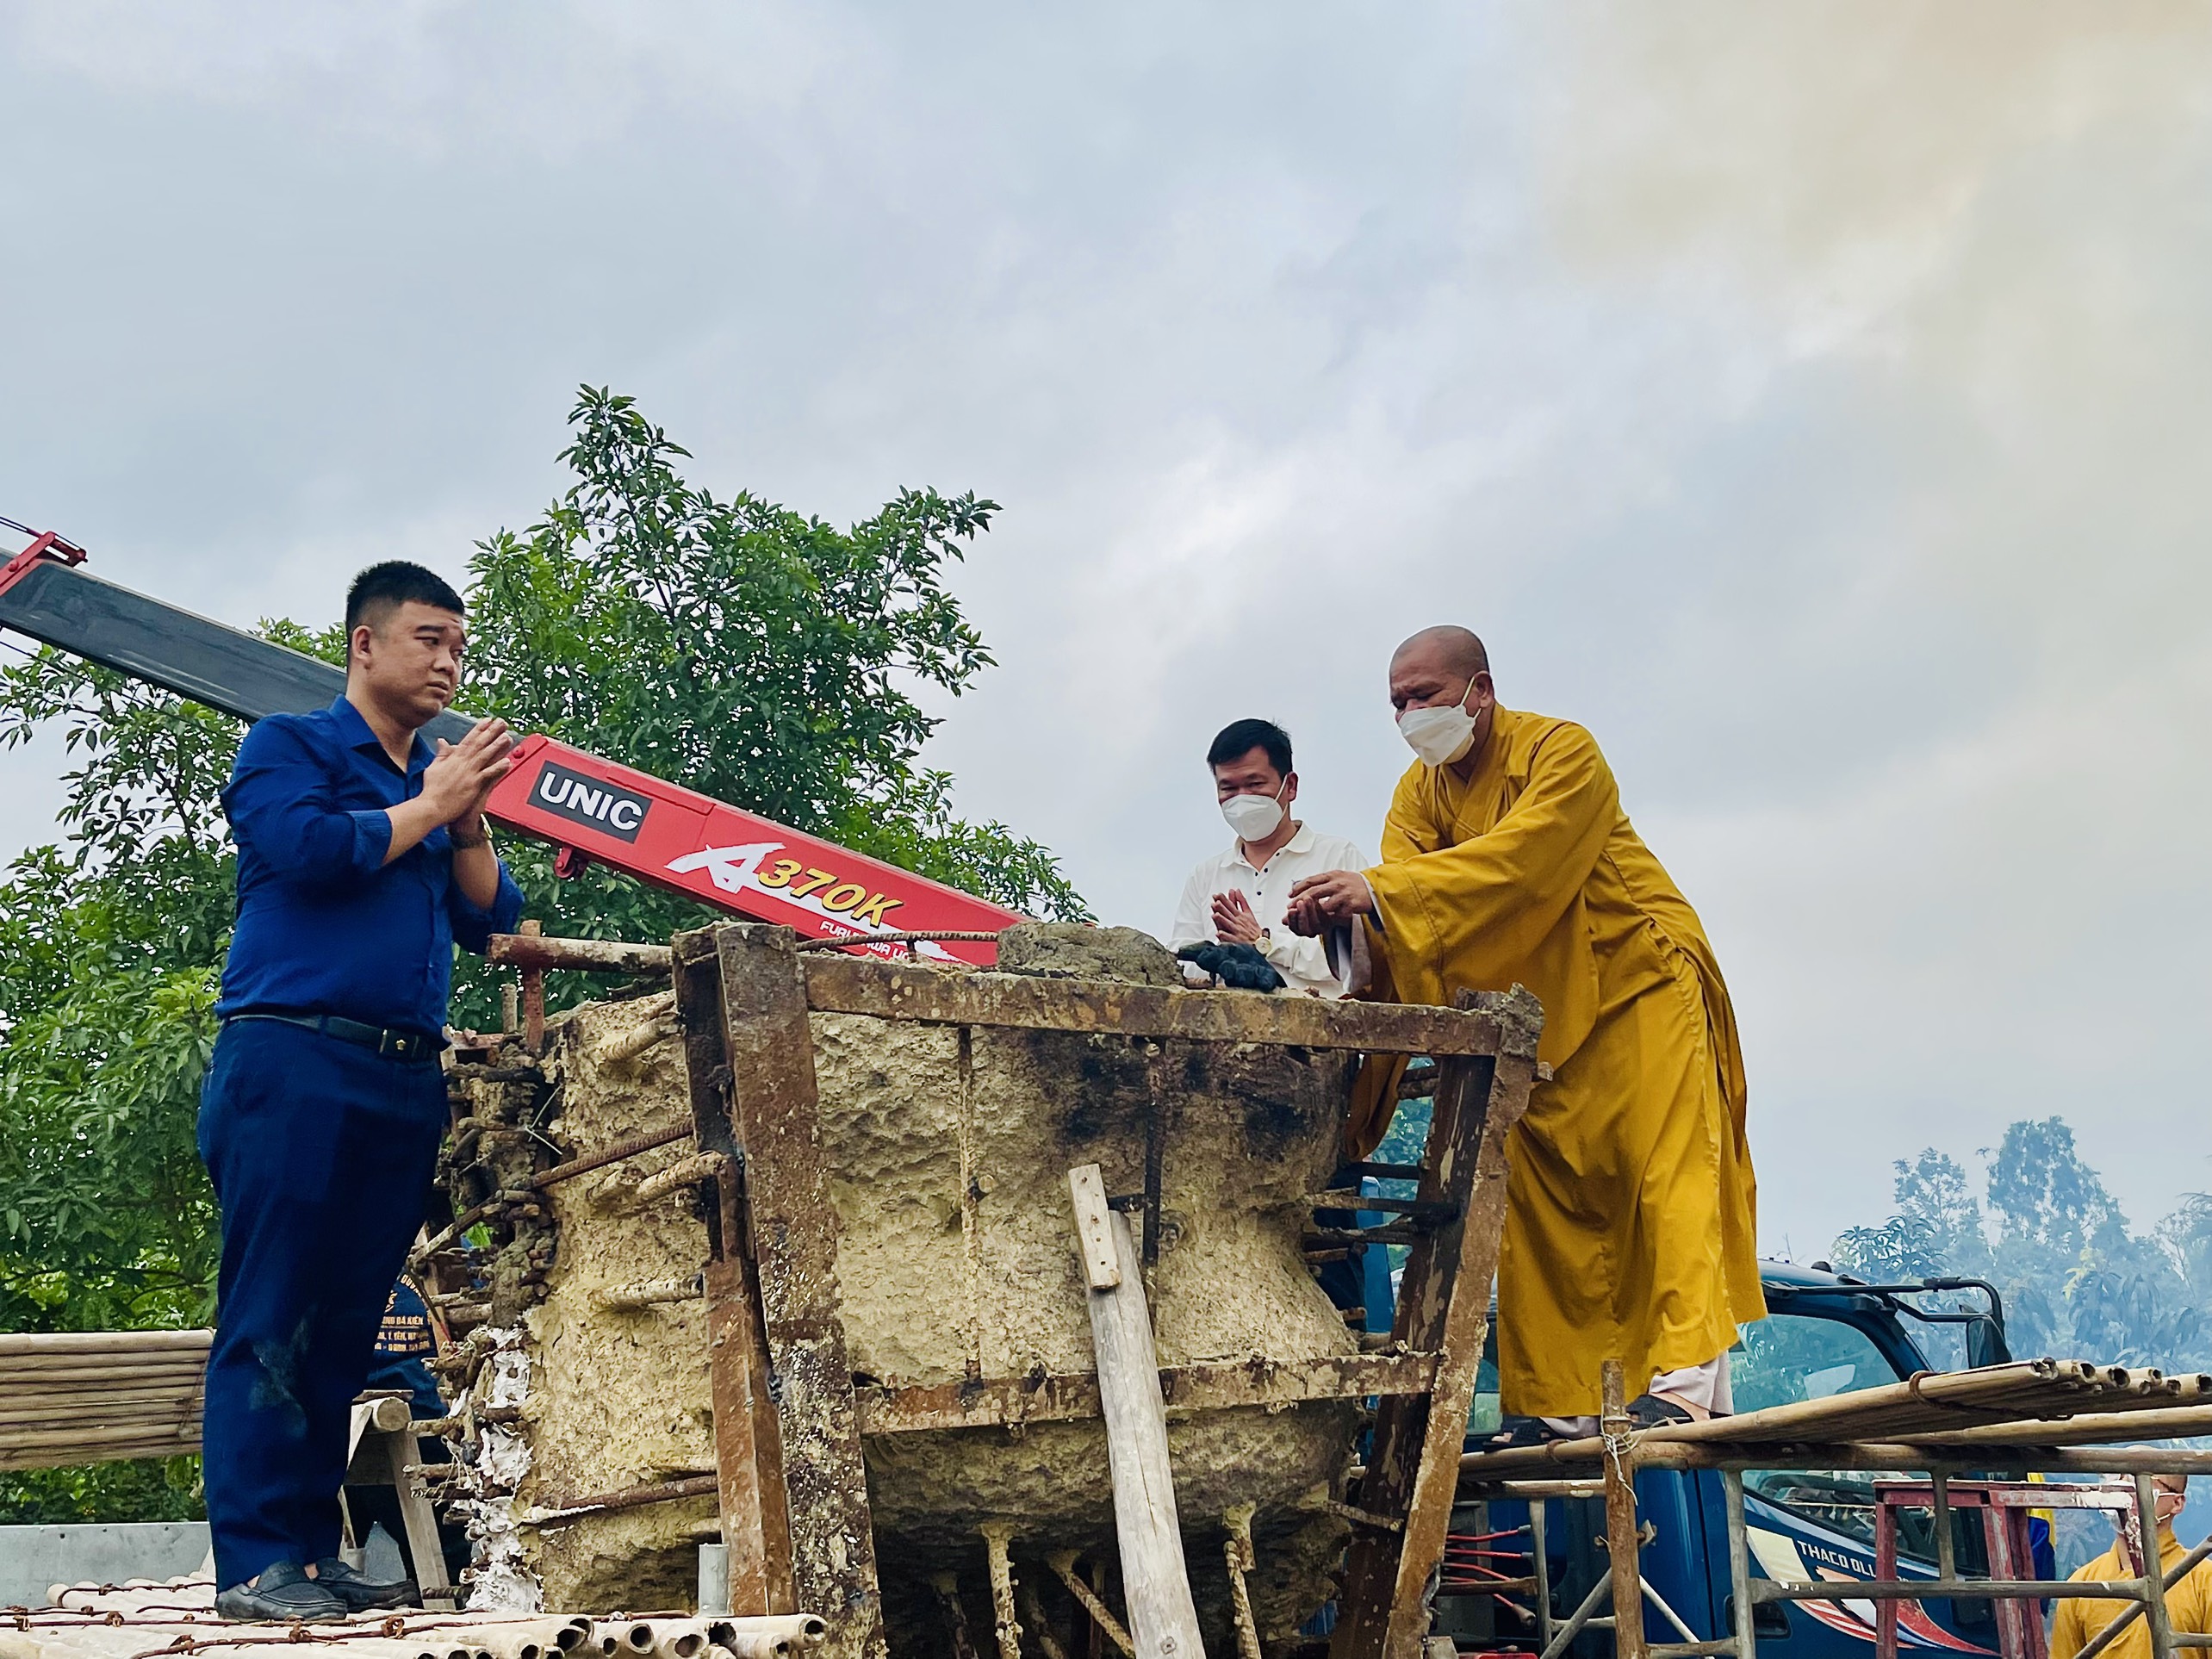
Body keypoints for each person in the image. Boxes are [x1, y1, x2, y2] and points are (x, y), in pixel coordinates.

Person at [1283, 625, 1762, 1437]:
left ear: (1480, 691)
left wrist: (1381, 894)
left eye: (1425, 695)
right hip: (1538, 1010)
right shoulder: (1418, 795)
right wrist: (1346, 921)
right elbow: (1407, 906)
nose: (1409, 715)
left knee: (1661, 1176)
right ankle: (1566, 1403)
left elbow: (1525, 864)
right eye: (1397, 702)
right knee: (1547, 1198)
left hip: (1637, 980)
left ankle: (1685, 1382)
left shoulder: (1563, 752)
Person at [199, 562, 525, 1620]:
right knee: (271, 1309)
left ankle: (308, 1553)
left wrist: (465, 820)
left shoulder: (437, 782)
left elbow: (491, 919)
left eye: (460, 647)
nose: (449, 663)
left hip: (400, 1075)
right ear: (364, 643)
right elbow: (309, 851)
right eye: (429, 639)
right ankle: (254, 1564)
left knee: (346, 1324)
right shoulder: (288, 745)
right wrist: (430, 804)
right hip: (293, 1058)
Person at [1168, 718, 1372, 999]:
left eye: (1255, 784)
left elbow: (1364, 959)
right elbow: (1180, 964)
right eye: (1228, 788)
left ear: (1290, 786)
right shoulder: (1204, 876)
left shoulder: (1337, 857)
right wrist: (1222, 957)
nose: (1242, 798)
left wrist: (1265, 943)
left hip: (1322, 1021)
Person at [2051, 1477, 2212, 1659]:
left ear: (2176, 1502)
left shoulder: (2204, 1579)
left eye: (2141, 1482)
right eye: (2118, 1480)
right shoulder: (2082, 1582)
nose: (2124, 1491)